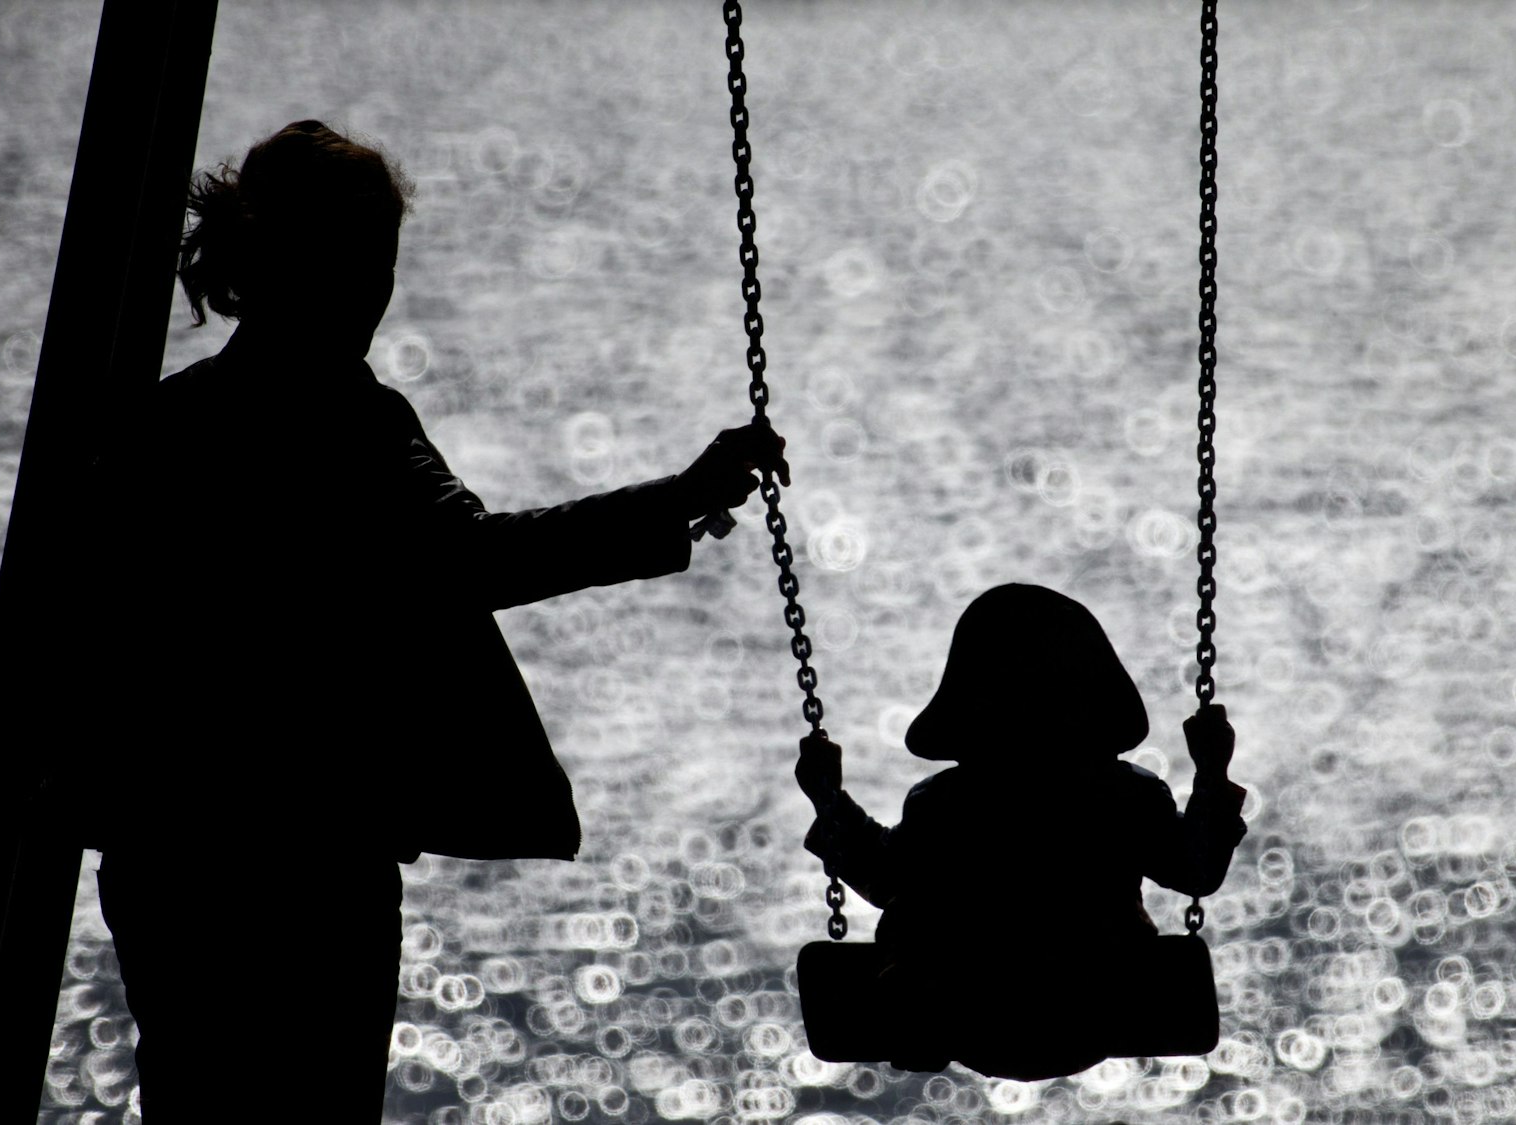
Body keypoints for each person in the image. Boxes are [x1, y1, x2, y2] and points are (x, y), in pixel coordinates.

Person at [72, 120, 788, 1121]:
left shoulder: (156, 426)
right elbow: (477, 558)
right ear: (309, 267)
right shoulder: (351, 423)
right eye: (364, 261)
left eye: (383, 264)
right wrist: (679, 495)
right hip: (310, 871)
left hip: (170, 863)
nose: (375, 290)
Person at [793, 583, 1247, 1078]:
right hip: (1094, 1015)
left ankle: (917, 998)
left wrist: (828, 798)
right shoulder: (1126, 794)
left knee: (918, 933)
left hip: (977, 1023)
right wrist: (1210, 774)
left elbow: (883, 877)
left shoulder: (946, 801)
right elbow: (1196, 870)